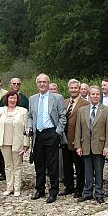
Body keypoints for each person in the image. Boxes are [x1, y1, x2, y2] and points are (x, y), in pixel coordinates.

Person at [27, 73, 66, 203]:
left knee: (53, 164)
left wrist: (57, 133)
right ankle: (40, 189)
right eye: (40, 82)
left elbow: (62, 117)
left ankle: (53, 191)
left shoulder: (57, 98)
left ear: (49, 83)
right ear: (37, 84)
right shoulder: (32, 99)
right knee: (39, 163)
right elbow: (30, 116)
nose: (42, 84)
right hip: (38, 134)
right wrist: (29, 128)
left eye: (45, 82)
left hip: (51, 133)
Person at [75, 86, 108, 204]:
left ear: (99, 96)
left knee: (99, 171)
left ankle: (99, 193)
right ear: (89, 96)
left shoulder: (106, 110)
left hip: (99, 146)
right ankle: (87, 192)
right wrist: (78, 146)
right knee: (88, 170)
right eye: (93, 94)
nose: (95, 96)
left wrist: (107, 146)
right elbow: (78, 129)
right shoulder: (82, 110)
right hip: (85, 145)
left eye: (97, 94)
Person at [0, 91, 30, 196]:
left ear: (17, 99)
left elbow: (26, 128)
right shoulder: (1, 110)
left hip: (17, 141)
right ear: (7, 99)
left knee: (17, 165)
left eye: (14, 98)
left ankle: (17, 188)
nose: (12, 100)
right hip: (4, 141)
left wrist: (26, 144)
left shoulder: (22, 111)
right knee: (8, 165)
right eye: (10, 98)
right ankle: (9, 187)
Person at [60, 79, 89, 198]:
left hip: (77, 139)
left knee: (79, 165)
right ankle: (69, 186)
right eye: (71, 88)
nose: (73, 90)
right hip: (64, 138)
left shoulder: (85, 103)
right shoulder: (64, 102)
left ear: (79, 89)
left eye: (75, 88)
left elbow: (86, 124)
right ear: (68, 89)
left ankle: (80, 188)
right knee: (66, 164)